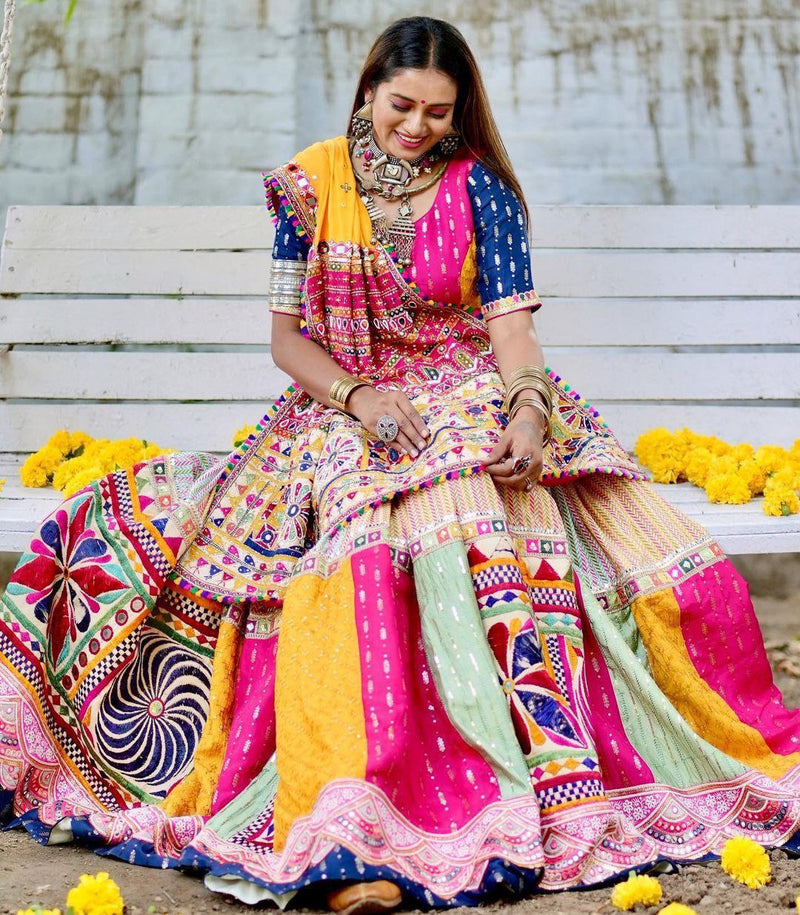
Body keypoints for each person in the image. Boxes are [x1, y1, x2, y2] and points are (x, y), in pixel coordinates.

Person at [1, 15, 798, 914]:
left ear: (460, 116)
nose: (415, 127)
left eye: (437, 113)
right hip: (344, 401)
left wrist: (529, 416)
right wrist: (358, 399)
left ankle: (470, 796)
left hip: (469, 386)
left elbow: (511, 330)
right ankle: (356, 814)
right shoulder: (310, 188)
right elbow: (286, 340)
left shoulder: (482, 191)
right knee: (345, 511)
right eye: (401, 105)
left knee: (475, 487)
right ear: (368, 89)